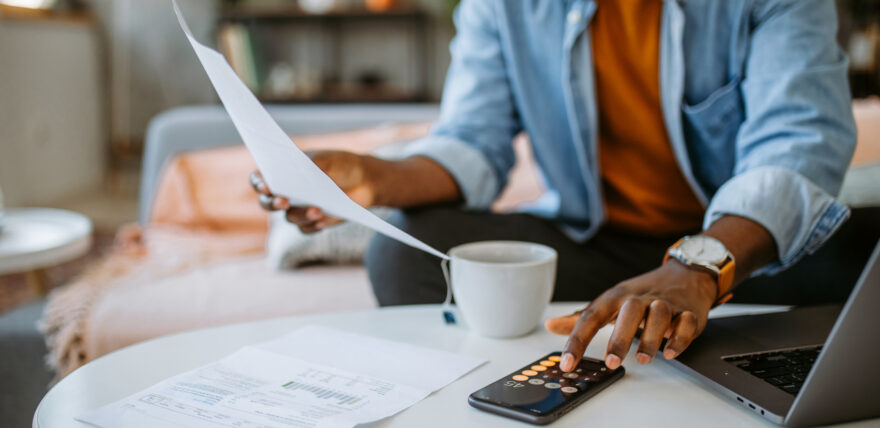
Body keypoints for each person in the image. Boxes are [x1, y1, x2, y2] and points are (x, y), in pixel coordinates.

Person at [250, 0, 876, 374]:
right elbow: (473, 141)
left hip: (743, 255)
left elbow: (798, 144)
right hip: (599, 251)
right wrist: (378, 176)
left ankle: (697, 326)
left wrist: (698, 266)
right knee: (408, 249)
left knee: (866, 253)